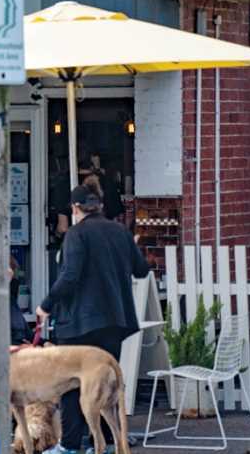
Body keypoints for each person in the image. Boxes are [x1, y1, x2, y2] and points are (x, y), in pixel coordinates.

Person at [37, 178, 149, 454]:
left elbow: (70, 276)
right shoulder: (120, 231)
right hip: (114, 321)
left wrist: (46, 305)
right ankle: (110, 442)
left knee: (72, 384)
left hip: (79, 324)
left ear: (76, 208)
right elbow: (142, 270)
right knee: (106, 385)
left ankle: (70, 445)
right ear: (98, 206)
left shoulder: (77, 234)